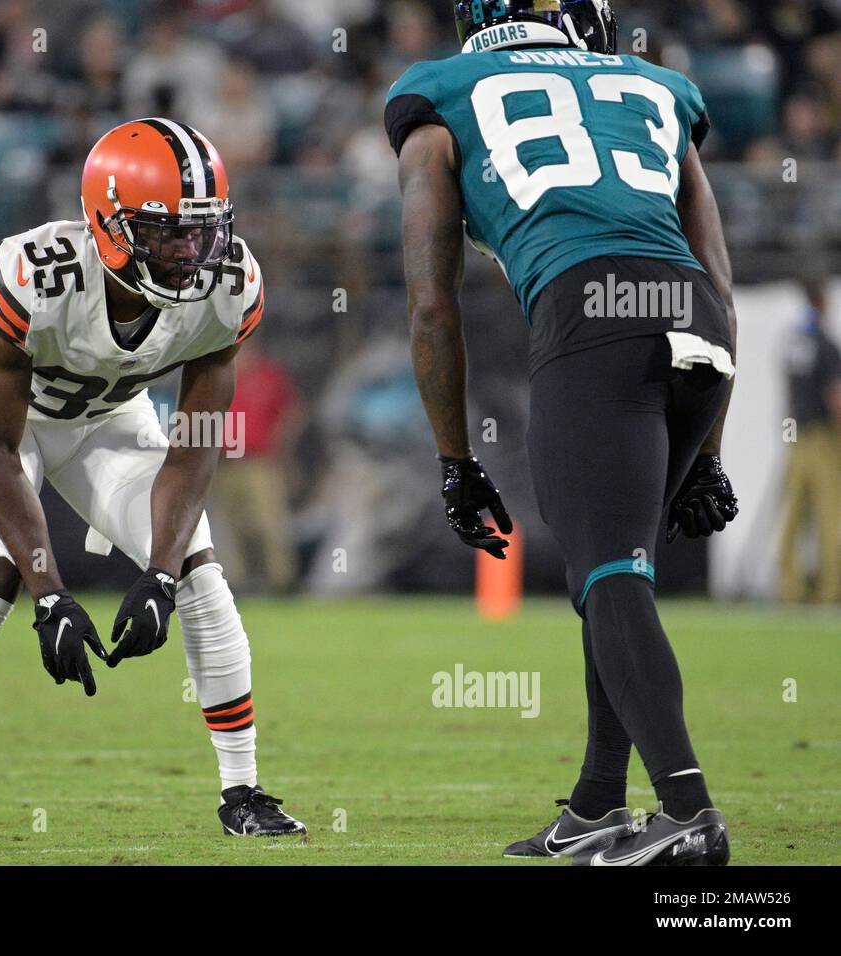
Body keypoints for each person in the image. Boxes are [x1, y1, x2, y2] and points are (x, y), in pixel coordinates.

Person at [0, 118, 305, 840]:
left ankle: (245, 793)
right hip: (9, 423)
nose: (193, 253)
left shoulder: (228, 287)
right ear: (110, 225)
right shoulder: (35, 275)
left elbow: (195, 445)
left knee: (202, 575)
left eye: (204, 232)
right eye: (169, 233)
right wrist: (50, 594)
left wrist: (161, 576)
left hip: (110, 415)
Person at [387, 0, 737, 865]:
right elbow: (720, 279)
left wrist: (454, 458)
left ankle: (688, 811)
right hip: (695, 318)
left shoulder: (437, 93)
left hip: (593, 315)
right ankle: (596, 804)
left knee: (609, 574)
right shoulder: (658, 85)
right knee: (615, 566)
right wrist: (712, 447)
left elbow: (432, 303)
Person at [210, 336, 302, 594]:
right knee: (230, 527)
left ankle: (281, 583)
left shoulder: (268, 376)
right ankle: (239, 584)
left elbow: (292, 413)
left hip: (260, 462)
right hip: (224, 463)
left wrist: (281, 450)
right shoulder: (219, 376)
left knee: (268, 523)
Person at [778, 279, 841, 603]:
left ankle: (791, 588)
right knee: (830, 517)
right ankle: (831, 591)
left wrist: (789, 438)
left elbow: (789, 399)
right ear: (822, 302)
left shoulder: (793, 343)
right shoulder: (826, 344)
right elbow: (835, 398)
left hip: (796, 438)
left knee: (792, 517)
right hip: (821, 438)